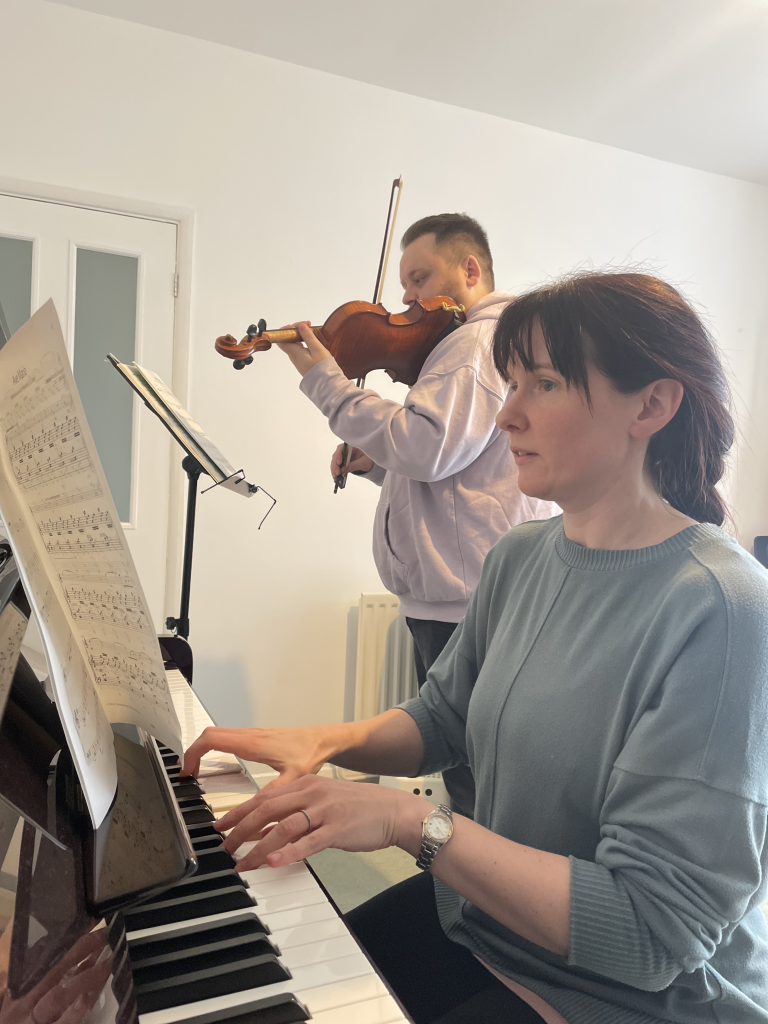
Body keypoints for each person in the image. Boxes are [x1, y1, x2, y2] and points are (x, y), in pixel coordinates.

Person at [185, 271, 768, 1024]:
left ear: (652, 406)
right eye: (510, 382)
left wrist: (408, 823)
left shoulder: (724, 608)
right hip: (483, 925)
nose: (506, 416)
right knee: (254, 997)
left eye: (545, 385)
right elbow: (444, 717)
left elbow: (654, 933)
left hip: (631, 999)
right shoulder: (522, 553)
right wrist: (322, 740)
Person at [273, 213, 557, 817]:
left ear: (470, 269)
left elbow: (428, 447)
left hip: (463, 598)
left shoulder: (473, 342)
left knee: (473, 775)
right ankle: (472, 892)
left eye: (420, 277)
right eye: (405, 283)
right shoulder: (480, 344)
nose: (406, 300)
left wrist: (328, 384)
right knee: (470, 767)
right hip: (463, 591)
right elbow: (459, 468)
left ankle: (479, 897)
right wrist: (377, 465)